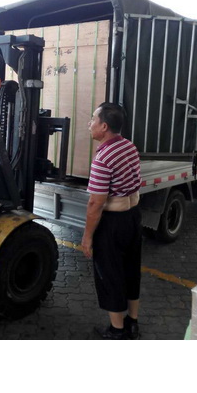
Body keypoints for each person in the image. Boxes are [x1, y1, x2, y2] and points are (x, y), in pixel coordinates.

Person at [81, 102, 142, 340]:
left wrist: (87, 236)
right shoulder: (129, 146)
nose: (90, 124)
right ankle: (132, 322)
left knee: (110, 273)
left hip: (113, 222)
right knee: (131, 269)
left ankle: (117, 331)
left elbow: (95, 203)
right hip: (133, 217)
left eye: (93, 119)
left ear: (104, 126)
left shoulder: (103, 157)